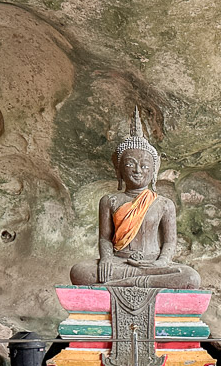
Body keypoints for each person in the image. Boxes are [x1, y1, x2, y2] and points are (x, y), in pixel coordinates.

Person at [69, 108, 200, 289]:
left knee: (191, 277)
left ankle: (128, 283)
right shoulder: (109, 201)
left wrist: (162, 262)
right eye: (130, 164)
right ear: (119, 169)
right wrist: (107, 259)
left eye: (145, 165)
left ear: (154, 170)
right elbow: (105, 238)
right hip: (120, 263)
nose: (138, 170)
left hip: (153, 264)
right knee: (80, 272)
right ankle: (140, 282)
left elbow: (170, 241)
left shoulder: (164, 204)